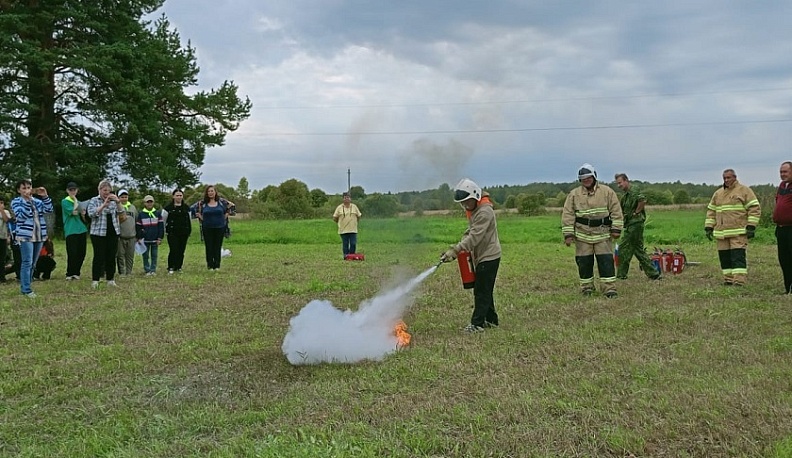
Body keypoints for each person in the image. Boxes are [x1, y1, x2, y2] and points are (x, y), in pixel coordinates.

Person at [439, 178, 502, 333]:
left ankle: (477, 324)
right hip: (481, 256)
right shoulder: (476, 211)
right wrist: (456, 246)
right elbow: (471, 232)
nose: (465, 206)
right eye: (462, 203)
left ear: (475, 196)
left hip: (489, 256)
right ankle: (491, 320)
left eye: (467, 202)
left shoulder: (485, 212)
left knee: (481, 291)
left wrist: (455, 250)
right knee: (485, 289)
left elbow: (475, 237)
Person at [561, 164, 624, 298]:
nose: (586, 181)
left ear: (594, 177)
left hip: (603, 234)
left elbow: (616, 211)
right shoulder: (574, 195)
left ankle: (609, 289)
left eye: (588, 178)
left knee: (606, 262)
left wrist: (616, 229)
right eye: (583, 179)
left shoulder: (607, 192)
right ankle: (587, 288)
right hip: (582, 235)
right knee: (584, 263)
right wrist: (568, 235)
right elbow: (568, 214)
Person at [705, 168, 761, 287]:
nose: (726, 180)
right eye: (724, 178)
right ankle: (728, 279)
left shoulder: (744, 190)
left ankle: (739, 281)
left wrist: (751, 226)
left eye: (729, 177)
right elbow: (711, 211)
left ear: (735, 177)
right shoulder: (718, 193)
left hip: (738, 231)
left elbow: (754, 208)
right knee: (724, 257)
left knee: (737, 256)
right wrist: (709, 227)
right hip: (721, 232)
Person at [10, 179, 53, 298]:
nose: (26, 190)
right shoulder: (16, 202)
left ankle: (27, 285)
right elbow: (21, 215)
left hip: (39, 235)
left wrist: (45, 196)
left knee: (33, 263)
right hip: (25, 235)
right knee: (27, 262)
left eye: (28, 188)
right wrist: (27, 202)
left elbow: (48, 209)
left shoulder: (37, 202)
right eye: (23, 188)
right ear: (19, 190)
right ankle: (26, 289)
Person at [614, 173, 661, 280]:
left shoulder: (634, 190)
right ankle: (653, 273)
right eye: (617, 183)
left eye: (620, 183)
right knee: (638, 250)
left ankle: (621, 275)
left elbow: (642, 200)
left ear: (626, 180)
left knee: (623, 248)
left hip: (635, 225)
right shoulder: (626, 195)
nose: (619, 185)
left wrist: (636, 212)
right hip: (630, 224)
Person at [86, 179, 121, 289]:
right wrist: (104, 205)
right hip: (98, 233)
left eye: (109, 190)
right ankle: (95, 280)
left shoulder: (114, 201)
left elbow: (121, 213)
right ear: (99, 190)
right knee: (99, 256)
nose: (107, 192)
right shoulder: (94, 200)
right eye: (104, 190)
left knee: (111, 256)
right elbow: (91, 214)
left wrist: (118, 202)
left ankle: (110, 279)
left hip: (113, 231)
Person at [196, 185, 229, 271]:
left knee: (217, 247)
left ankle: (217, 265)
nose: (210, 193)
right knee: (209, 246)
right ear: (207, 193)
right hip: (207, 228)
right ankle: (210, 265)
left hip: (219, 227)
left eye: (212, 191)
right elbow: (194, 211)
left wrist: (224, 219)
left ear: (215, 192)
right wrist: (200, 217)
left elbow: (231, 208)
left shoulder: (221, 202)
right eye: (209, 191)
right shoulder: (202, 204)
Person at [62, 181, 88, 280]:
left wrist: (83, 213)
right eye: (71, 190)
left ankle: (77, 272)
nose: (73, 191)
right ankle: (70, 273)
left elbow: (82, 216)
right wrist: (78, 206)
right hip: (71, 229)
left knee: (82, 252)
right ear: (67, 191)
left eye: (74, 189)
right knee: (72, 252)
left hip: (81, 229)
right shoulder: (65, 201)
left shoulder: (78, 201)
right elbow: (73, 212)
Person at [164, 188, 192, 273]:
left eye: (180, 195)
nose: (179, 197)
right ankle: (171, 267)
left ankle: (179, 267)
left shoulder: (187, 208)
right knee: (173, 250)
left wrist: (189, 231)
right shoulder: (168, 208)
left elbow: (189, 220)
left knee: (181, 250)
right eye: (177, 195)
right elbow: (163, 221)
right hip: (172, 233)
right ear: (173, 196)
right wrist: (165, 231)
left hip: (184, 232)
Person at [774, 161, 792, 294]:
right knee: (783, 258)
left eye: (785, 172)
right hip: (781, 229)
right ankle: (788, 287)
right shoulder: (781, 186)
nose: (782, 174)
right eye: (781, 172)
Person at [136, 195, 164, 275]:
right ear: (144, 203)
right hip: (145, 239)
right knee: (145, 255)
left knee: (154, 255)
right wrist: (139, 237)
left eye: (151, 202)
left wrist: (159, 238)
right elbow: (138, 227)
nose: (149, 203)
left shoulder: (157, 213)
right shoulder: (141, 214)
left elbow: (161, 226)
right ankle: (147, 269)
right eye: (147, 202)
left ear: (153, 202)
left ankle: (153, 269)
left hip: (155, 239)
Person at [333, 192, 362, 259]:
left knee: (353, 243)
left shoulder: (354, 207)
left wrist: (355, 222)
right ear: (343, 199)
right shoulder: (339, 208)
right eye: (345, 197)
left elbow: (359, 216)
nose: (347, 199)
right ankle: (346, 256)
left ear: (350, 199)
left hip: (353, 229)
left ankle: (352, 256)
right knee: (345, 244)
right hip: (343, 230)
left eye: (348, 197)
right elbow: (335, 218)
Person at [115, 189, 138, 276]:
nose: (124, 199)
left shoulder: (132, 207)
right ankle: (122, 272)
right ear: (118, 197)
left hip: (132, 236)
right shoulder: (116, 207)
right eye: (122, 197)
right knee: (120, 255)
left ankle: (129, 272)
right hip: (121, 236)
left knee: (130, 256)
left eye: (126, 197)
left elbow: (136, 220)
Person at [0, 198, 10, 283]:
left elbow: (7, 220)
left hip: (2, 237)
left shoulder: (5, 212)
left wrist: (1, 210)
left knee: (2, 258)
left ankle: (2, 277)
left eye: (2, 202)